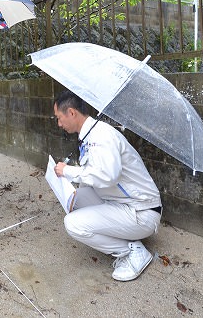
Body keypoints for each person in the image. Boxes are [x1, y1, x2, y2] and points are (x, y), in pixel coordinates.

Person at [52, 90, 162, 281]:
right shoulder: (90, 134)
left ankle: (132, 252)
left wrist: (68, 171)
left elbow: (107, 177)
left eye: (59, 118)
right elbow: (94, 175)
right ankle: (125, 237)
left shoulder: (101, 137)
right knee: (75, 200)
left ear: (71, 113)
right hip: (119, 202)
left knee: (73, 224)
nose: (59, 124)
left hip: (140, 212)